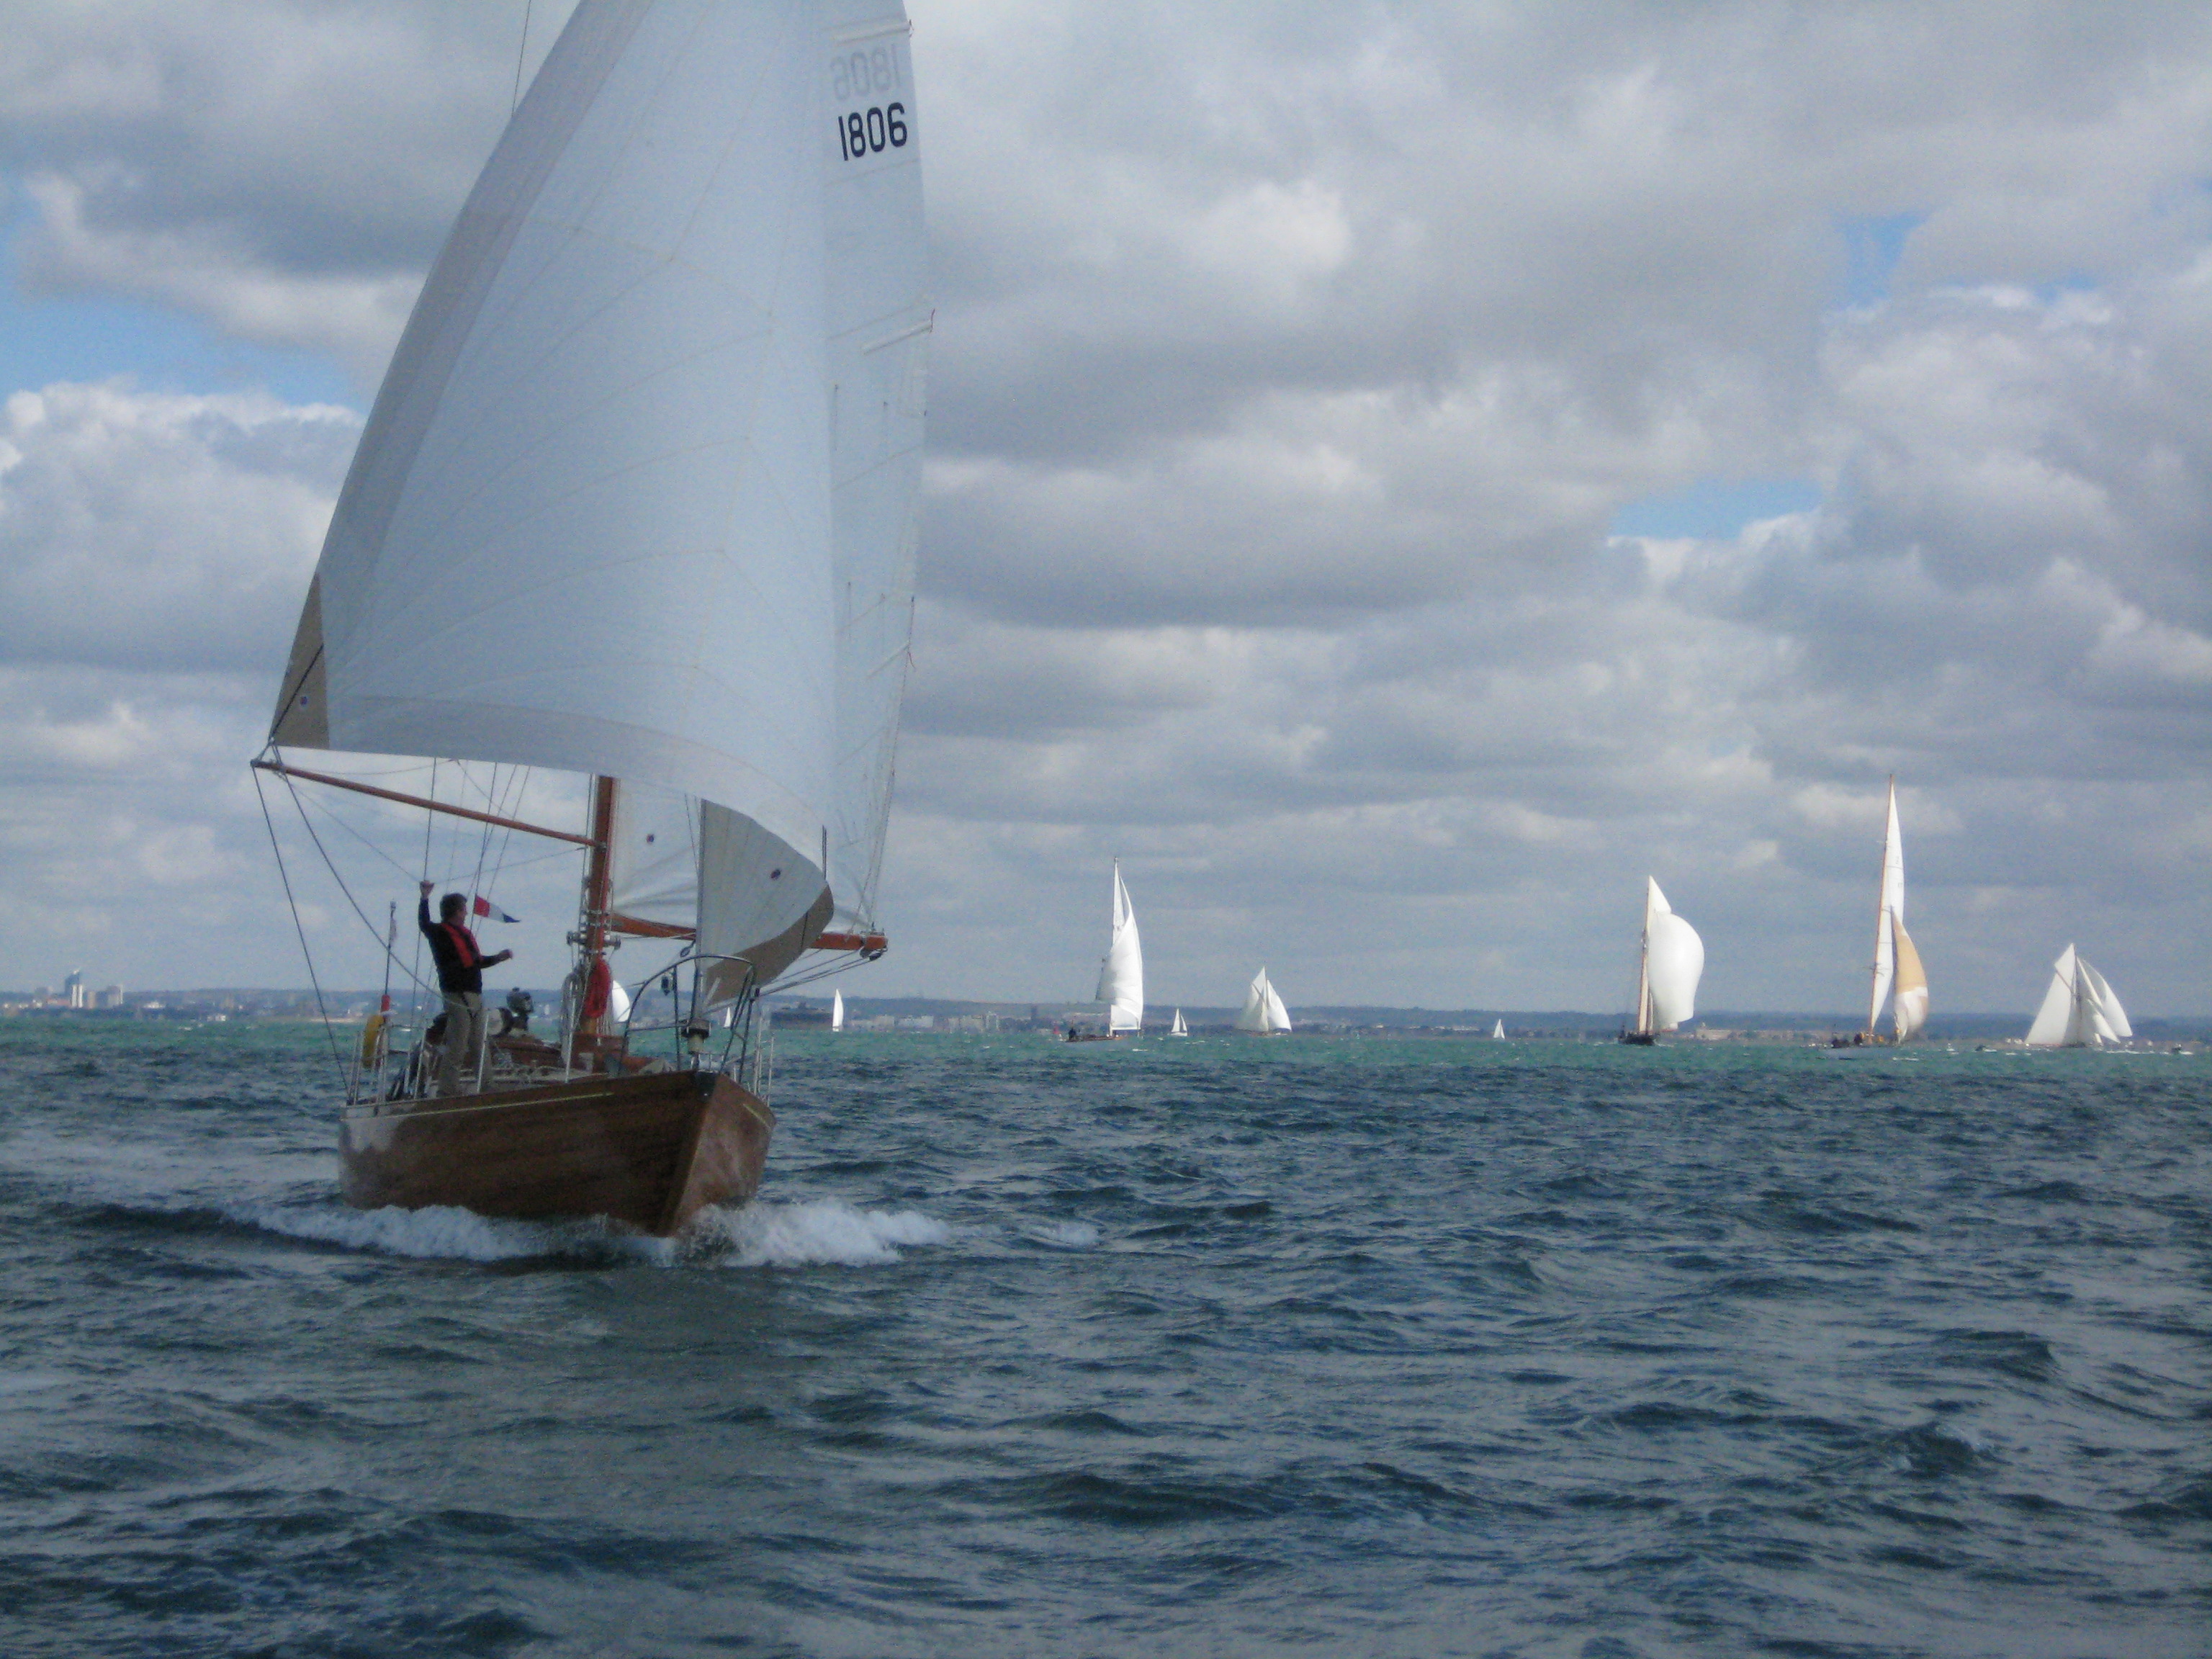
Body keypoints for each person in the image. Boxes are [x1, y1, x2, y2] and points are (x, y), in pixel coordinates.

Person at [418, 881, 514, 1096]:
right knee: (458, 1044)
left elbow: (477, 961)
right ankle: (448, 1089)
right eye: (463, 910)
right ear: (456, 912)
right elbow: (424, 924)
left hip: (474, 995)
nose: (467, 913)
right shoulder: (440, 932)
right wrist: (424, 898)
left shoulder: (464, 935)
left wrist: (498, 958)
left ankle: (488, 1086)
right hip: (458, 994)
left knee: (480, 1042)